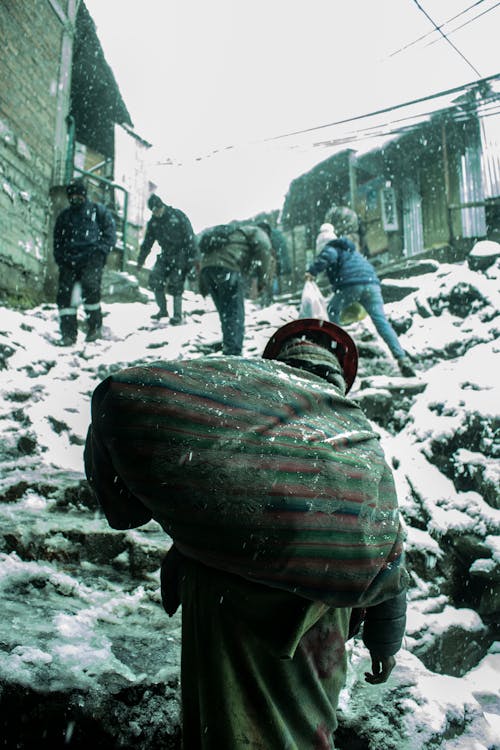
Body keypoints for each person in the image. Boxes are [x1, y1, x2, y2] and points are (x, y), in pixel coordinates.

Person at [84, 318, 407, 749]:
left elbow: (128, 400)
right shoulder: (353, 437)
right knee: (305, 726)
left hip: (222, 592)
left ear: (275, 362)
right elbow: (388, 542)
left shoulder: (234, 414)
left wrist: (126, 502)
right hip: (322, 601)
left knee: (223, 725)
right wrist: (385, 643)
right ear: (340, 375)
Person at [306, 226, 416, 377]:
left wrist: (312, 271)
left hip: (353, 285)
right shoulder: (351, 251)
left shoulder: (331, 247)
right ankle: (402, 359)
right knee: (382, 323)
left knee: (332, 310)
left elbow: (328, 257)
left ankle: (337, 352)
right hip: (372, 285)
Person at [53, 178, 116, 345]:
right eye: (72, 195)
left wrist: (100, 252)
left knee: (90, 289)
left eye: (79, 194)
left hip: (91, 259)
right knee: (65, 297)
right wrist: (61, 259)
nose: (75, 198)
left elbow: (110, 234)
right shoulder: (64, 217)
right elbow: (57, 241)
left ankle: (95, 329)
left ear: (84, 195)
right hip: (69, 261)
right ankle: (68, 334)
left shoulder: (98, 211)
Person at [198, 222, 272, 355]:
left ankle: (229, 348)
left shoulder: (235, 234)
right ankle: (234, 353)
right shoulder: (258, 232)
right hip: (227, 267)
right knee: (235, 313)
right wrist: (263, 281)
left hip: (207, 269)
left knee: (225, 313)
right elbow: (264, 251)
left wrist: (202, 285)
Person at [137, 194, 197, 325]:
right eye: (154, 211)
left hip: (181, 253)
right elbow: (147, 243)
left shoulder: (178, 215)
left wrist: (192, 259)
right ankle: (162, 310)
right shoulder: (153, 223)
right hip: (165, 254)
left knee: (176, 282)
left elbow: (190, 237)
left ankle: (177, 315)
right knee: (155, 278)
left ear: (162, 206)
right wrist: (140, 261)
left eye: (158, 209)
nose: (157, 213)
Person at [257, 221, 292, 297]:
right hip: (279, 262)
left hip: (279, 262)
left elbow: (274, 252)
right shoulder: (272, 234)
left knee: (276, 279)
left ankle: (275, 294)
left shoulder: (274, 237)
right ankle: (276, 294)